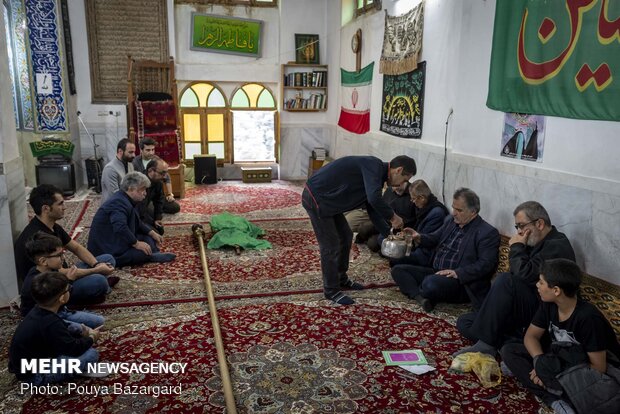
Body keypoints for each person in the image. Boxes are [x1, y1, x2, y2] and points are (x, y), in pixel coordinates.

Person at [454, 201, 576, 357]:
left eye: (521, 226)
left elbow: (523, 275)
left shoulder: (556, 245)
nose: (519, 232)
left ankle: (487, 344)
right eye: (517, 227)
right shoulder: (536, 241)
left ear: (539, 223)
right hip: (521, 308)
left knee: (506, 281)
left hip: (544, 311)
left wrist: (517, 247)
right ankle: (509, 342)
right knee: (465, 321)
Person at [500, 259, 620, 414]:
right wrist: (540, 363)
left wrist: (549, 370)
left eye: (541, 282)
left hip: (587, 373)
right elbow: (531, 336)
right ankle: (555, 400)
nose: (537, 285)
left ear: (556, 290)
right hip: (557, 359)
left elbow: (598, 368)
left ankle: (556, 397)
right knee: (509, 351)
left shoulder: (588, 318)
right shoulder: (549, 304)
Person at [302, 155, 417, 305]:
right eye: (404, 179)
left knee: (346, 235)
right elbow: (374, 199)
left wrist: (389, 234)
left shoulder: (375, 176)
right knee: (330, 246)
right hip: (316, 198)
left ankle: (341, 278)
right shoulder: (373, 165)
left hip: (330, 201)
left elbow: (372, 208)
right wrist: (393, 216)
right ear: (398, 170)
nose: (401, 184)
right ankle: (331, 290)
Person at [390, 188, 500, 312]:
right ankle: (420, 297)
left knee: (430, 283)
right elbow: (434, 238)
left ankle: (420, 290)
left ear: (473, 212)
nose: (454, 213)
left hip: (460, 281)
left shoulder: (487, 232)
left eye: (459, 210)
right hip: (435, 271)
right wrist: (419, 236)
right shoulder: (451, 222)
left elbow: (486, 264)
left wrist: (458, 273)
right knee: (397, 270)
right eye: (453, 208)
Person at [13, 184, 117, 299]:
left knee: (107, 259)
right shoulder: (37, 237)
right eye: (60, 204)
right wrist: (96, 270)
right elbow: (61, 272)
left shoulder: (52, 226)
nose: (64, 207)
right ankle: (100, 288)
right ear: (46, 209)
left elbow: (76, 248)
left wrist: (97, 264)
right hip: (51, 287)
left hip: (64, 274)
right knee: (99, 281)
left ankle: (101, 285)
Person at [9, 271, 104, 385]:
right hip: (35, 375)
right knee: (91, 354)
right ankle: (74, 371)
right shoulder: (50, 323)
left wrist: (81, 336)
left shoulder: (39, 311)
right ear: (62, 298)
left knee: (75, 331)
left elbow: (62, 334)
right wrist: (92, 337)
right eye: (69, 289)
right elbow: (74, 349)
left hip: (31, 362)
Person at [21, 232, 107, 332]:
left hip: (59, 310)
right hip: (45, 319)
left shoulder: (50, 269)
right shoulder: (38, 282)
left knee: (100, 321)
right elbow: (62, 298)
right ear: (43, 261)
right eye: (59, 255)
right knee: (81, 331)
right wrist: (70, 280)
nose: (63, 258)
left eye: (63, 253)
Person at [88, 172, 176, 267]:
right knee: (141, 252)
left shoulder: (125, 199)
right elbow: (120, 227)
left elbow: (137, 221)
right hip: (107, 247)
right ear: (131, 189)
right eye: (142, 189)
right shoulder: (118, 202)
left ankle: (153, 253)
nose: (145, 193)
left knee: (148, 237)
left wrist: (152, 233)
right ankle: (150, 256)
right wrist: (136, 243)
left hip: (116, 239)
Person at [389, 179, 449, 267]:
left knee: (395, 258)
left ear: (422, 198)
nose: (412, 202)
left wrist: (408, 238)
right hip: (418, 246)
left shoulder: (437, 214)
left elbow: (427, 240)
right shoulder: (424, 207)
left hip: (425, 254)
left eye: (413, 199)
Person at [350, 181, 417, 252]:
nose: (392, 188)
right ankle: (357, 243)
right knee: (363, 228)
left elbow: (414, 220)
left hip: (397, 230)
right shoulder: (390, 190)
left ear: (404, 180)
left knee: (372, 243)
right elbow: (381, 207)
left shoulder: (412, 195)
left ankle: (376, 243)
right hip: (383, 221)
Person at [132, 138, 180, 215]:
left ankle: (156, 208)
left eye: (152, 150)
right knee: (149, 212)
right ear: (141, 150)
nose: (151, 152)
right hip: (142, 195)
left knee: (175, 207)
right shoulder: (135, 162)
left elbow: (167, 178)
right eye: (148, 150)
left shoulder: (157, 160)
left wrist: (169, 194)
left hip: (156, 194)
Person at [137, 157, 169, 235]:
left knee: (160, 230)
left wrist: (158, 218)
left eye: (166, 173)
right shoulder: (139, 183)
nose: (165, 177)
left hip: (145, 206)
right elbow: (139, 211)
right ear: (150, 170)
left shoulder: (158, 182)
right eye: (162, 173)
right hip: (136, 214)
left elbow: (159, 200)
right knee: (155, 233)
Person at [101, 138, 136, 202]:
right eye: (130, 152)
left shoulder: (130, 164)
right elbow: (115, 194)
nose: (134, 155)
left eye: (134, 152)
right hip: (113, 206)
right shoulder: (110, 169)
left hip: (127, 201)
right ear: (120, 151)